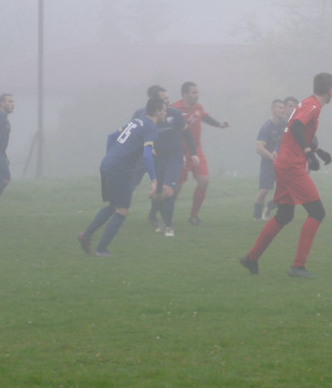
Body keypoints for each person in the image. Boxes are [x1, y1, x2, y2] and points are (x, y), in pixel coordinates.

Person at [238, 72, 332, 279]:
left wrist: (317, 151)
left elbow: (297, 130)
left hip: (284, 162)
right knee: (317, 212)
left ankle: (251, 258)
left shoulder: (307, 103)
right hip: (292, 165)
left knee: (284, 215)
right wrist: (308, 153)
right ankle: (298, 266)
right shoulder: (313, 106)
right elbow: (297, 126)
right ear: (330, 91)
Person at [77, 98, 166, 257]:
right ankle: (101, 249)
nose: (166, 113)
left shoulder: (135, 122)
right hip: (120, 169)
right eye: (165, 110)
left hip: (107, 164)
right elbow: (147, 154)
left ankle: (86, 235)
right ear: (157, 111)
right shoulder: (151, 128)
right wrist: (154, 179)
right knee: (122, 210)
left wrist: (112, 155)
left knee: (113, 205)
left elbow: (111, 137)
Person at [140, 85, 196, 237]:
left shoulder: (175, 114)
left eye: (168, 98)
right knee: (158, 194)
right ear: (154, 101)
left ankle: (168, 226)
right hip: (157, 160)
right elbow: (138, 136)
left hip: (174, 158)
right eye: (164, 99)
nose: (168, 101)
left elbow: (187, 134)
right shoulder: (144, 117)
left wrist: (193, 153)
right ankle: (155, 217)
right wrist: (147, 147)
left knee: (168, 190)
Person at [171, 81, 229, 225]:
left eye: (197, 92)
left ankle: (194, 216)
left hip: (197, 151)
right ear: (185, 94)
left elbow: (204, 117)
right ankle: (167, 215)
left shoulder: (198, 107)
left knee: (203, 181)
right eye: (194, 92)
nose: (197, 95)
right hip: (180, 154)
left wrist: (219, 125)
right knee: (175, 188)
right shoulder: (175, 109)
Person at [253, 99, 287, 220]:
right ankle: (256, 217)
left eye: (283, 108)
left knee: (287, 191)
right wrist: (272, 156)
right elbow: (259, 148)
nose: (282, 110)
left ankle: (270, 207)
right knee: (263, 191)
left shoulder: (287, 125)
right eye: (279, 108)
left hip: (284, 163)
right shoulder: (266, 127)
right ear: (273, 109)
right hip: (268, 163)